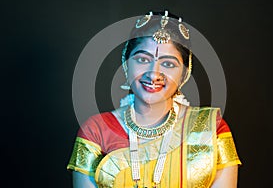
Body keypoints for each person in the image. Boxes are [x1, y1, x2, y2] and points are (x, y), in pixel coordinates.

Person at [67, 10, 241, 188]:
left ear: (184, 74)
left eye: (168, 64)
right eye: (142, 59)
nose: (153, 74)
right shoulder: (96, 131)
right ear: (126, 65)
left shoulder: (211, 129)